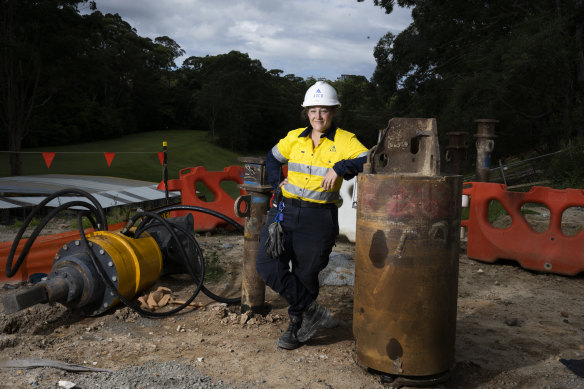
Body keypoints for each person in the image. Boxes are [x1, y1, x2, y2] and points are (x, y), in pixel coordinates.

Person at [256, 81, 369, 350]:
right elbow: (271, 158)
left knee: (306, 274)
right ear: (306, 112)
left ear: (334, 111)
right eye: (313, 110)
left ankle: (296, 325)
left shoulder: (345, 140)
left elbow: (371, 159)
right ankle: (312, 309)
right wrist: (276, 183)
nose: (318, 116)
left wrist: (342, 167)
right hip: (283, 213)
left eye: (324, 110)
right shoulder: (294, 137)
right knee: (266, 265)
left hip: (318, 220)